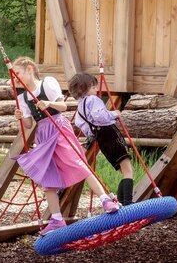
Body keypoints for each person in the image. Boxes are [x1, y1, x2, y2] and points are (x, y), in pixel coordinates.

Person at [10, 57, 120, 235]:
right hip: (43, 134)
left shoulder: (47, 83)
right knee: (47, 178)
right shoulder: (22, 97)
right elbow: (29, 125)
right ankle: (56, 219)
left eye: (18, 74)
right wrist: (21, 116)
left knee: (78, 163)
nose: (16, 78)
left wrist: (49, 103)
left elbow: (63, 107)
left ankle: (105, 199)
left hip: (58, 127)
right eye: (14, 77)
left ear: (29, 69)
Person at [69, 73, 135, 205]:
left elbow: (81, 123)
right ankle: (127, 202)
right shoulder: (93, 100)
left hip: (100, 138)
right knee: (128, 169)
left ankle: (123, 201)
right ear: (84, 88)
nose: (96, 90)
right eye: (93, 87)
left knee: (123, 169)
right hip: (110, 133)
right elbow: (100, 116)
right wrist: (114, 114)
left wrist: (91, 133)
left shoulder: (80, 105)